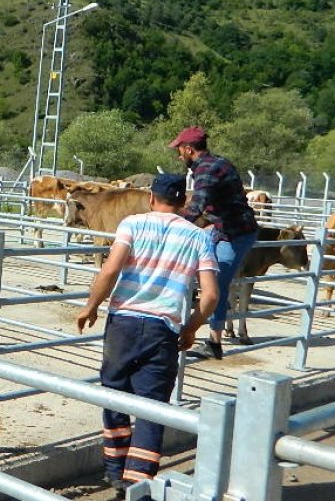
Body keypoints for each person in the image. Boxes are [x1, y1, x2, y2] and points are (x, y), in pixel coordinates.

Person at [76, 174, 219, 494]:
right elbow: (210, 295)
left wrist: (91, 306)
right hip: (163, 329)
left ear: (152, 198)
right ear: (183, 203)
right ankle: (138, 484)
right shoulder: (199, 237)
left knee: (113, 395)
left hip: (123, 324)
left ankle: (114, 471)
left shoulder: (132, 224)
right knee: (153, 406)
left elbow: (110, 269)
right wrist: (192, 327)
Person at [168, 126, 259, 360]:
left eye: (179, 150)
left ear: (189, 149)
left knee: (216, 285)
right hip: (220, 227)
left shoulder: (207, 169)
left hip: (235, 233)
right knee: (192, 265)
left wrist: (167, 227)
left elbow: (196, 206)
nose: (178, 155)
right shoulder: (216, 162)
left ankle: (214, 342)